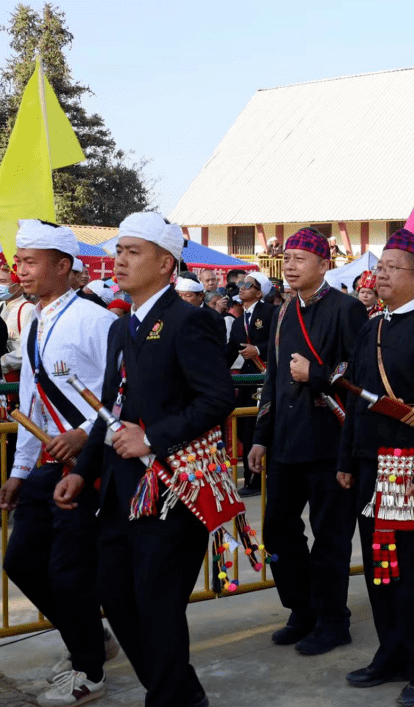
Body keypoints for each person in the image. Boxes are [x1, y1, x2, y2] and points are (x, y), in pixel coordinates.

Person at [55, 211, 235, 707]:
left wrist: (152, 437)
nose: (120, 260)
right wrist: (84, 471)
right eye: (119, 251)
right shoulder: (121, 327)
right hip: (119, 490)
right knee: (115, 595)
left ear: (165, 264)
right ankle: (176, 687)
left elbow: (216, 399)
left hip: (173, 487)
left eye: (133, 252)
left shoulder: (190, 320)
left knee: (157, 604)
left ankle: (172, 696)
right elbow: (108, 410)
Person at [336, 229, 414, 705]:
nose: (380, 274)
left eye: (391, 268)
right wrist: (348, 459)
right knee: (379, 570)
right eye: (380, 266)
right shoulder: (373, 325)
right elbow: (356, 397)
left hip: (412, 474)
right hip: (371, 470)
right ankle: (392, 653)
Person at [0, 221, 117, 706]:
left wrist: (85, 432)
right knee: (22, 562)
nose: (19, 270)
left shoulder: (98, 321)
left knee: (69, 572)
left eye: (30, 261)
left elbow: (123, 394)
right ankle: (93, 636)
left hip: (90, 465)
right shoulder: (34, 320)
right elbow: (31, 400)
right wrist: (19, 472)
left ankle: (89, 671)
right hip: (46, 466)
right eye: (18, 260)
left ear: (62, 265)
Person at [246, 228, 367, 655]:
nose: (291, 266)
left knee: (330, 538)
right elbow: (273, 380)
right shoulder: (282, 313)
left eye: (300, 258)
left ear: (323, 265)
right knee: (278, 532)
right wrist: (261, 437)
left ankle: (334, 620)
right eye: (288, 259)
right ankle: (302, 609)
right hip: (284, 444)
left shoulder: (347, 310)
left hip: (329, 442)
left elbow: (360, 375)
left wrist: (316, 375)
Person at [227, 271, 274, 497]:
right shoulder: (237, 322)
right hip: (246, 382)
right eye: (242, 284)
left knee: (265, 429)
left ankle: (271, 476)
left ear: (259, 292)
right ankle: (252, 479)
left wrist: (259, 350)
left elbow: (279, 340)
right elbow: (230, 350)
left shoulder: (271, 312)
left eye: (249, 284)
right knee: (245, 431)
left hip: (267, 377)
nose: (242, 287)